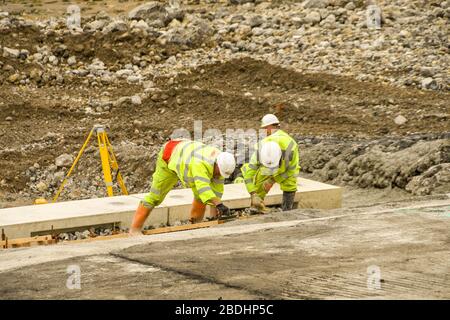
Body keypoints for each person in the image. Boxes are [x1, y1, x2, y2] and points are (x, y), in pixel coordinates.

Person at [129, 139, 236, 235]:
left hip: (184, 154)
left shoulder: (222, 163)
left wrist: (216, 213)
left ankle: (195, 227)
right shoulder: (199, 164)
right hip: (168, 156)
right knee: (155, 196)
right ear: (216, 164)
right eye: (220, 173)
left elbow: (216, 191)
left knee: (202, 196)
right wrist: (219, 204)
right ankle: (134, 230)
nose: (220, 176)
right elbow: (203, 189)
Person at [241, 114, 300, 212]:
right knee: (259, 177)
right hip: (270, 166)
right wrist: (253, 194)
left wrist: (272, 180)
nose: (264, 132)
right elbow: (248, 174)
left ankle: (287, 210)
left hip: (285, 168)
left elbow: (291, 171)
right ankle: (256, 205)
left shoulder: (290, 148)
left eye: (265, 129)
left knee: (290, 182)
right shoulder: (261, 148)